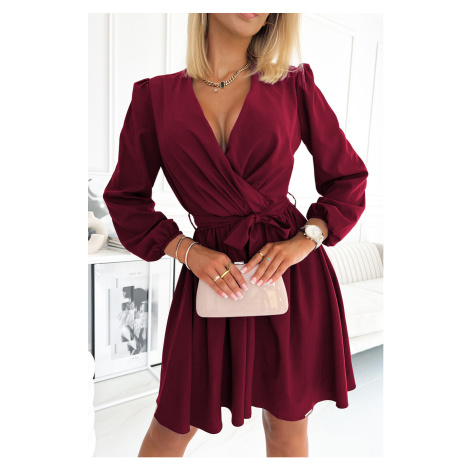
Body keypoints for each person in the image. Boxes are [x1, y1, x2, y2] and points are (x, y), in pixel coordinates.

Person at [103, 13, 369, 458]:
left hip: (288, 279)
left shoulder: (294, 85)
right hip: (211, 279)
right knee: (170, 430)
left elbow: (348, 178)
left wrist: (304, 240)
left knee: (286, 429)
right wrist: (188, 251)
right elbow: (126, 198)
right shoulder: (155, 97)